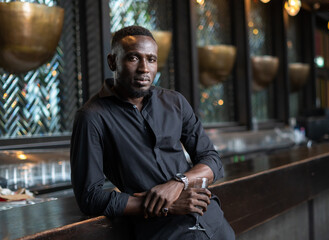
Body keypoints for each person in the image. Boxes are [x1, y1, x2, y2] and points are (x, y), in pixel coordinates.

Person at [70, 25, 235, 240]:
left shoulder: (175, 102)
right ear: (112, 61)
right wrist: (166, 205)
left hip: (215, 225)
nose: (144, 69)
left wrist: (178, 183)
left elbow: (211, 159)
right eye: (133, 58)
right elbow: (89, 197)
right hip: (163, 233)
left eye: (151, 59)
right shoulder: (92, 117)